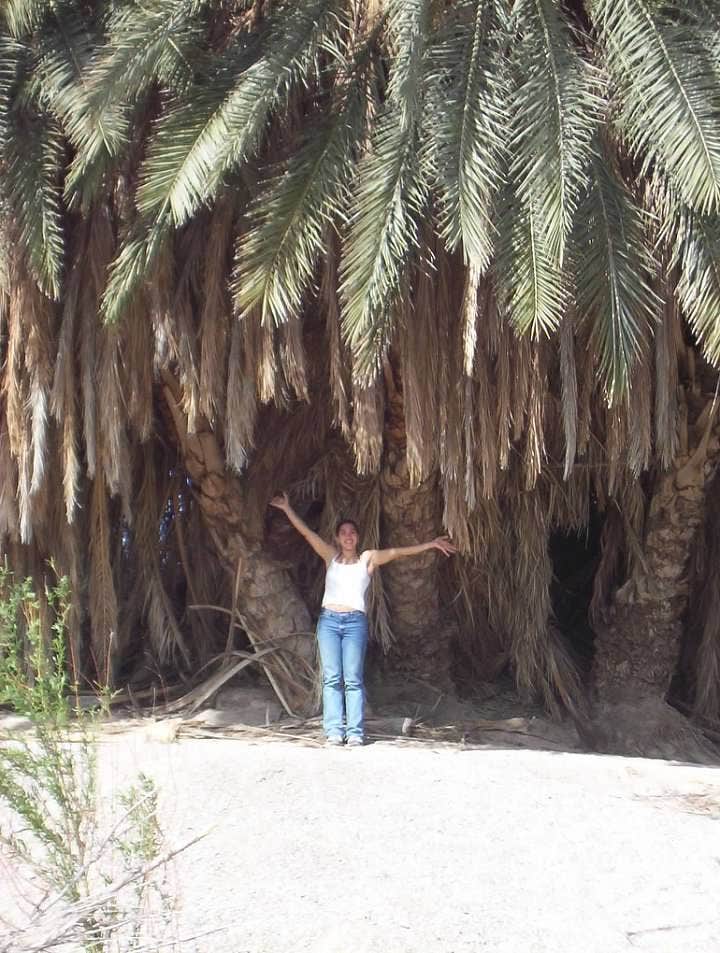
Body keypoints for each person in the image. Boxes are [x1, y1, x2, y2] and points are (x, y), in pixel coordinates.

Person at [269, 492, 457, 747]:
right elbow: (307, 534)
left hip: (354, 623)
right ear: (337, 538)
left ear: (357, 538)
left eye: (352, 532)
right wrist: (288, 509)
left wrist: (430, 544)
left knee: (353, 678)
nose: (348, 536)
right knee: (332, 678)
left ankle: (355, 732)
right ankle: (334, 731)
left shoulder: (367, 559)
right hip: (329, 622)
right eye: (343, 532)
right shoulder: (330, 557)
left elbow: (398, 552)